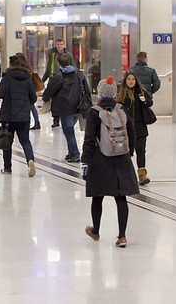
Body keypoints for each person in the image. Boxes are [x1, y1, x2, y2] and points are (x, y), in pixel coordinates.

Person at [82, 76, 139, 248]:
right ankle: (122, 236)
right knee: (121, 198)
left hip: (100, 159)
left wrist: (86, 162)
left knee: (97, 197)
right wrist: (130, 153)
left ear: (99, 92)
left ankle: (96, 231)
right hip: (121, 158)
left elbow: (89, 139)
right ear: (114, 92)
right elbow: (132, 134)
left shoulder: (94, 112)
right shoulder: (122, 110)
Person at [42, 53, 91, 163]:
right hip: (78, 106)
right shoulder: (79, 74)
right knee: (69, 130)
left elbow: (49, 91)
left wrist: (45, 98)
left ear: (59, 64)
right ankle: (71, 153)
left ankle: (75, 154)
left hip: (65, 108)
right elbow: (87, 90)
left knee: (69, 131)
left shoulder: (58, 76)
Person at [0, 55, 37, 176]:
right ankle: (30, 160)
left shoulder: (6, 78)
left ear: (10, 64)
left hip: (8, 116)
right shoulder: (27, 78)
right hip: (24, 116)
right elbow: (34, 98)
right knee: (25, 141)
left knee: (7, 142)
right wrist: (25, 104)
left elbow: (0, 94)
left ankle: (7, 168)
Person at [117, 70, 153, 185]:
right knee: (127, 152)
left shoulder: (141, 92)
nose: (131, 81)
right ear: (125, 81)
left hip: (140, 127)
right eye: (128, 79)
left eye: (133, 79)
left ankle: (142, 175)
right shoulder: (122, 94)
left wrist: (145, 100)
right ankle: (126, 175)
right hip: (126, 128)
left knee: (141, 151)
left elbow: (150, 103)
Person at [42, 38, 75, 128]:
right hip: (54, 79)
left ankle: (64, 117)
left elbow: (73, 67)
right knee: (55, 100)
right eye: (58, 44)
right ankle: (55, 120)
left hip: (65, 80)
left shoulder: (68, 55)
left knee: (64, 99)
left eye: (61, 44)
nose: (59, 46)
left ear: (64, 45)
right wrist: (43, 80)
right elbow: (49, 67)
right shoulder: (53, 55)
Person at [16, 52, 41, 130]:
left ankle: (26, 123)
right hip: (30, 90)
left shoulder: (21, 69)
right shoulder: (28, 68)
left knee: (26, 108)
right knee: (32, 107)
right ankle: (37, 122)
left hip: (24, 91)